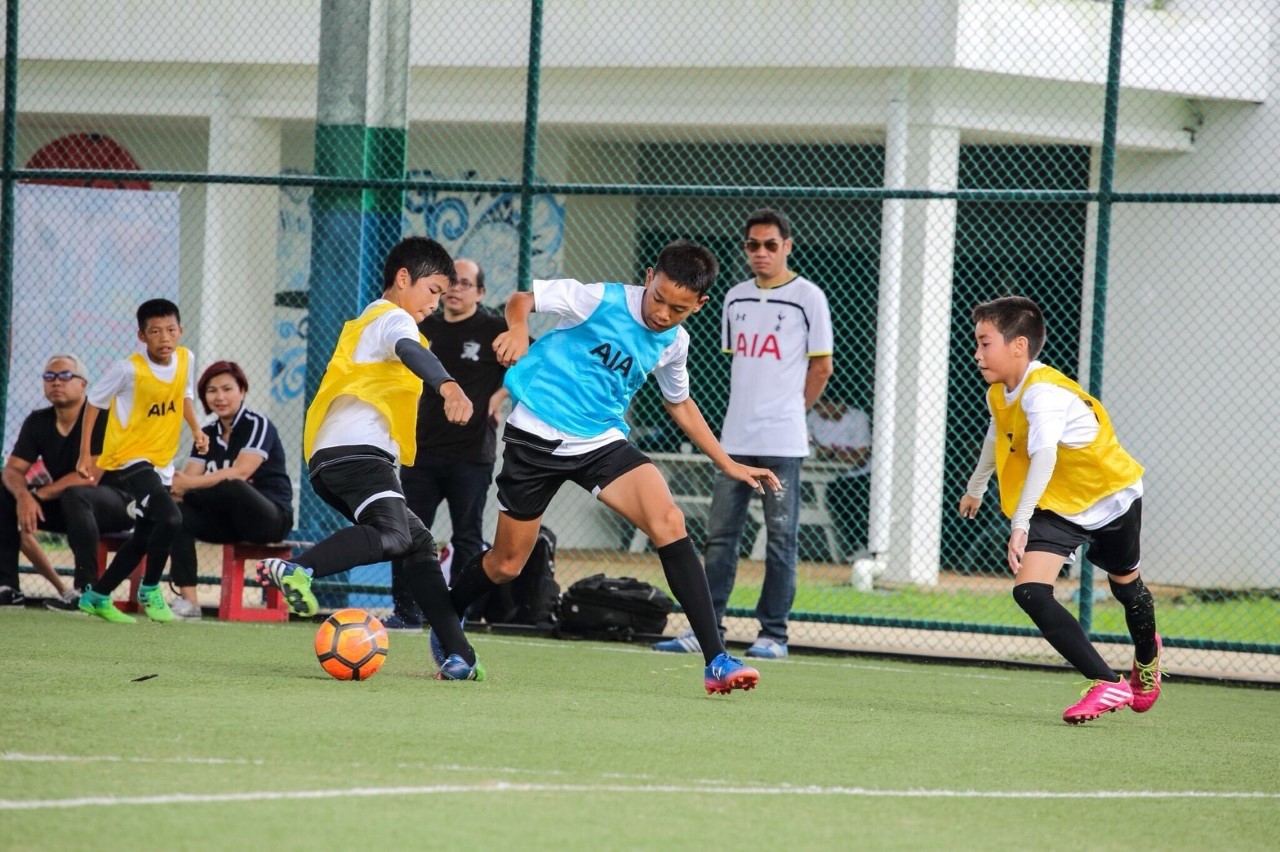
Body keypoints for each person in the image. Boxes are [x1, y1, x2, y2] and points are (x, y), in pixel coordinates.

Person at [442, 239, 774, 695]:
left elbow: (680, 403)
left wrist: (727, 462)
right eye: (658, 298)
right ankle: (447, 615)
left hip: (600, 441)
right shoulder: (599, 298)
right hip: (536, 432)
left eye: (678, 309)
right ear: (649, 278)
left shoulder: (675, 343)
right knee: (506, 564)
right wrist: (518, 329)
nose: (663, 314)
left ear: (700, 304)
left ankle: (715, 658)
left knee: (669, 521)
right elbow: (521, 300)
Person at [256, 236, 484, 681]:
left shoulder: (369, 321)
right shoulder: (391, 318)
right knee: (395, 536)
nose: (435, 303)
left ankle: (460, 656)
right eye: (433, 291)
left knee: (417, 543)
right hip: (358, 454)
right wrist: (449, 386)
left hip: (334, 458)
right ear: (403, 278)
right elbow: (411, 350)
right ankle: (298, 568)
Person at [959, 295, 1161, 724]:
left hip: (1110, 496)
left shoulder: (1043, 394)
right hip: (1059, 506)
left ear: (1018, 345)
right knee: (1030, 591)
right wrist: (976, 487)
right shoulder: (999, 393)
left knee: (1127, 590)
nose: (977, 353)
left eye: (985, 343)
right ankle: (1106, 682)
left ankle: (1147, 658)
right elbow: (997, 432)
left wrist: (1020, 522)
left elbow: (1045, 455)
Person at [654, 208, 833, 661]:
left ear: (787, 246)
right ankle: (706, 630)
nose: (761, 253)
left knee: (781, 539)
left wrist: (792, 411)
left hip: (783, 443)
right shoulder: (733, 297)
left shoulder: (809, 297)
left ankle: (774, 634)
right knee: (719, 538)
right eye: (753, 245)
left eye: (770, 245)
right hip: (733, 441)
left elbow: (822, 367)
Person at [386, 258, 509, 630]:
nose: (455, 289)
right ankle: (406, 612)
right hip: (422, 451)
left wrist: (500, 396)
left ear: (481, 292)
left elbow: (529, 362)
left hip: (472, 455)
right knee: (406, 531)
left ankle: (456, 614)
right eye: (450, 282)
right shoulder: (423, 326)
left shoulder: (494, 329)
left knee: (467, 536)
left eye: (465, 283)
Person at [75, 300, 208, 623]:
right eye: (155, 331)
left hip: (163, 460)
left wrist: (196, 428)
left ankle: (97, 596)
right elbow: (94, 403)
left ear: (181, 331)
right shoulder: (127, 369)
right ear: (141, 336)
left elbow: (183, 396)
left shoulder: (186, 359)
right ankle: (150, 589)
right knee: (171, 519)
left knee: (143, 538)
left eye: (171, 330)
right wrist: (84, 453)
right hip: (130, 457)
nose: (165, 337)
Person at [0, 354, 133, 610]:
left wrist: (36, 496)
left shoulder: (102, 417)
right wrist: (23, 496)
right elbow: (13, 469)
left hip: (120, 503)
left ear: (83, 384)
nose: (56, 382)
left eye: (64, 376)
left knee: (76, 493)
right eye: (49, 376)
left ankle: (86, 590)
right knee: (5, 493)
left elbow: (89, 476)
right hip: (70, 506)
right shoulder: (38, 421)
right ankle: (8, 588)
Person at [167, 361, 294, 620]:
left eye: (227, 389)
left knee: (233, 485)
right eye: (212, 391)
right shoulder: (206, 433)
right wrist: (177, 490)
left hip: (269, 519)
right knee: (175, 516)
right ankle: (189, 603)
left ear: (242, 391)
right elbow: (188, 478)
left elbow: (241, 472)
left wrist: (186, 485)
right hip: (227, 521)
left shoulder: (258, 424)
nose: (220, 397)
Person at [807, 396, 872, 557]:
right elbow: (810, 451)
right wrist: (839, 454)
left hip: (859, 475)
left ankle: (864, 546)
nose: (819, 411)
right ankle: (855, 546)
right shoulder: (813, 418)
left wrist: (830, 453)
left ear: (838, 404)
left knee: (850, 497)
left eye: (823, 406)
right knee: (833, 496)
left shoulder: (857, 418)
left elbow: (860, 458)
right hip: (829, 476)